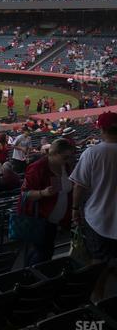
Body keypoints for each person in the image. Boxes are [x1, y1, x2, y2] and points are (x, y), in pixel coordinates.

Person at [70, 111, 117, 300]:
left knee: (98, 262)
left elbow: (79, 187)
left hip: (98, 218)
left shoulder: (93, 152)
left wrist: (74, 210)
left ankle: (99, 301)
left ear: (101, 128)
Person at [20, 138, 75, 266]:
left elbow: (64, 190)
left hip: (57, 220)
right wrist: (42, 193)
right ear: (54, 153)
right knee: (43, 253)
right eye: (65, 157)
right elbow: (25, 194)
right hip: (41, 219)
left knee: (44, 251)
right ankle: (33, 279)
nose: (68, 160)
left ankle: (31, 273)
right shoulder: (37, 168)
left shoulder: (65, 166)